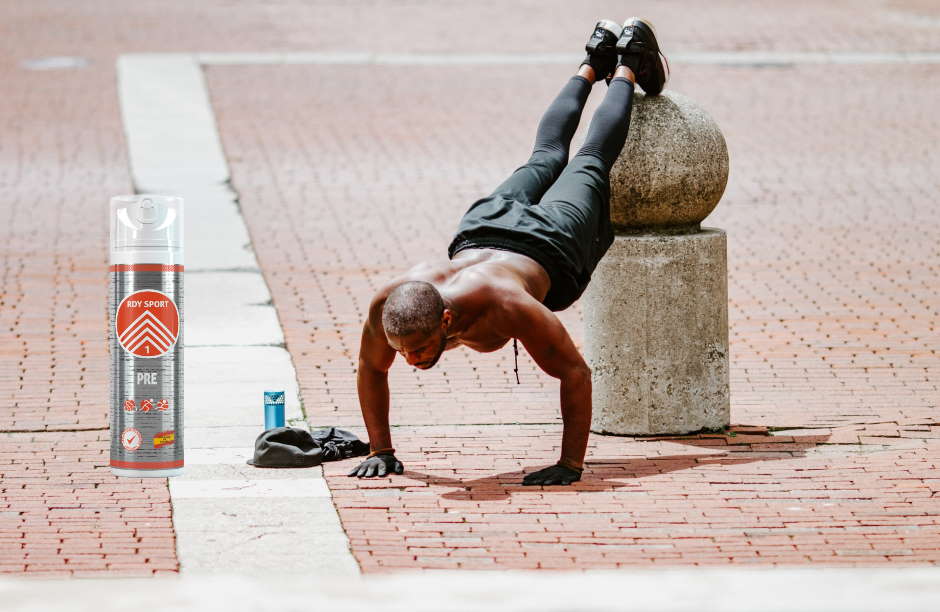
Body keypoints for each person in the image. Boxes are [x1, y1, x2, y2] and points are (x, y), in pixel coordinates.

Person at [348, 18, 670, 486]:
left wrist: (570, 464)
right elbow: (370, 367)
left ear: (445, 320)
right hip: (484, 227)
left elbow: (575, 373)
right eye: (405, 352)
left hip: (550, 240)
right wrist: (381, 449)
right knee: (544, 156)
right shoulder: (390, 305)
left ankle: (626, 62)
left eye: (417, 351)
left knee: (589, 158)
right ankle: (591, 60)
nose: (411, 361)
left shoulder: (509, 306)